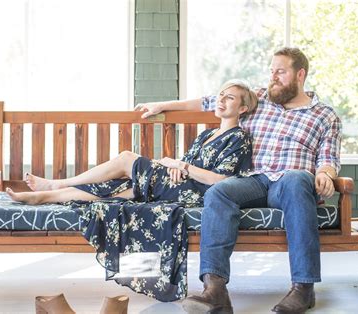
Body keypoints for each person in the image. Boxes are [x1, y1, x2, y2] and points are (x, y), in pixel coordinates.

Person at [135, 47, 341, 313]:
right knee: (220, 191)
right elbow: (208, 102)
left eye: (281, 71)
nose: (273, 77)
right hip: (253, 179)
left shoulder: (324, 115)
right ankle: (216, 290)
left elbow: (328, 158)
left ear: (300, 74)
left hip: (291, 181)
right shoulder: (258, 100)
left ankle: (303, 288)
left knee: (298, 178)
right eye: (271, 71)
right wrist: (163, 105)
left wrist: (325, 174)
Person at [6, 79, 257, 209]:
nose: (221, 100)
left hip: (197, 193)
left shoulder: (239, 138)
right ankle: (43, 196)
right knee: (115, 189)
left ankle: (57, 183)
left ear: (243, 108)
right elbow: (184, 165)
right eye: (221, 95)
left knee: (127, 157)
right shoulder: (206, 135)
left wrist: (181, 166)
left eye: (230, 97)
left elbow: (221, 181)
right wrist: (174, 166)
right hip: (177, 182)